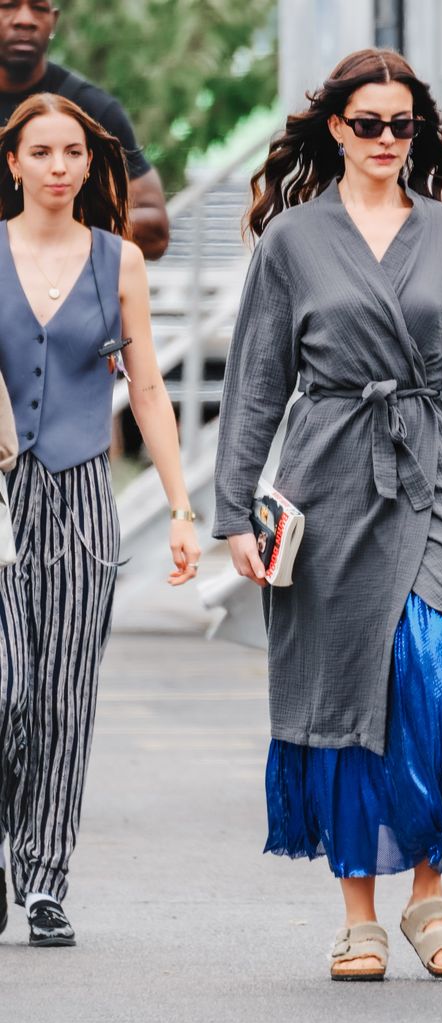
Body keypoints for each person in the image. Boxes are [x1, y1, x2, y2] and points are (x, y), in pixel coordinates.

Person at [214, 48, 442, 981]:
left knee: (430, 679)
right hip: (327, 480)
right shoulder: (292, 241)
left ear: (417, 133)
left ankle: (429, 890)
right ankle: (358, 910)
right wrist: (237, 510)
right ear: (336, 130)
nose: (386, 140)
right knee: (347, 690)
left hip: (430, 470)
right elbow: (257, 383)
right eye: (367, 123)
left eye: (402, 125)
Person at [0, 92, 200, 947]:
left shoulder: (116, 260)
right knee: (7, 688)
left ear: (89, 164)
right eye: (40, 152)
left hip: (82, 495)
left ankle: (44, 879)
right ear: (12, 162)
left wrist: (183, 508)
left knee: (63, 697)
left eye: (71, 153)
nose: (56, 166)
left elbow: (147, 389)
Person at [0, 0, 168, 259]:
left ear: (53, 21)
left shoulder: (93, 110)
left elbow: (155, 231)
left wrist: (66, 226)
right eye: (8, 6)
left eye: (38, 8)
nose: (25, 19)